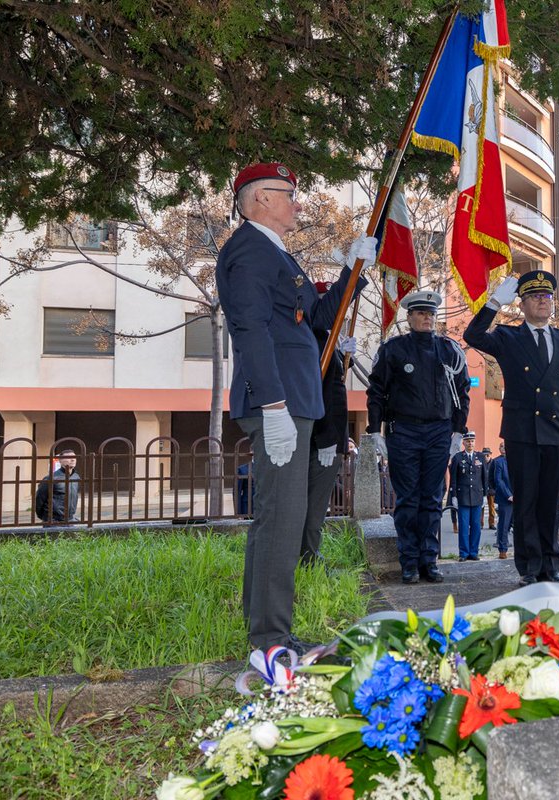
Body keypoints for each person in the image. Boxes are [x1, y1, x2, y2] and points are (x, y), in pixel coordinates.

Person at [216, 161, 376, 653]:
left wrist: (353, 270)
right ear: (260, 198)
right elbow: (252, 332)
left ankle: (263, 624)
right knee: (280, 520)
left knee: (279, 519)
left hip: (294, 399)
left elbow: (316, 320)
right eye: (289, 193)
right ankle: (271, 639)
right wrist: (274, 404)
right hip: (278, 401)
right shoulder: (248, 252)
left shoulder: (280, 256)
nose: (298, 202)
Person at [464, 271, 559, 585]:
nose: (543, 302)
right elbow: (472, 336)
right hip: (522, 431)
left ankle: (551, 566)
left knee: (551, 501)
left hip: (556, 431)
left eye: (547, 297)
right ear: (523, 302)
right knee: (526, 500)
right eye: (535, 297)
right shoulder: (508, 336)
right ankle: (530, 568)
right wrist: (493, 303)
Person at [366, 290, 471, 584]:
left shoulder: (450, 351)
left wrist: (459, 431)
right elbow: (376, 391)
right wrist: (375, 429)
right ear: (409, 317)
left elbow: (462, 394)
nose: (427, 318)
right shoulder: (394, 349)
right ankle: (409, 561)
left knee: (432, 499)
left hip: (439, 431)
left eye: (431, 314)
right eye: (421, 313)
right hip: (404, 431)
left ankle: (429, 560)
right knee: (408, 500)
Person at [300, 282, 355, 566]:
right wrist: (326, 439)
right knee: (313, 508)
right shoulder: (315, 337)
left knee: (315, 507)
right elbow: (322, 395)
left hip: (327, 438)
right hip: (321, 439)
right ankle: (309, 560)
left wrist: (347, 358)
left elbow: (335, 381)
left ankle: (308, 556)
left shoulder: (325, 337)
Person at [449, 432, 487, 561]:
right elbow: (453, 478)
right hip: (463, 497)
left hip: (477, 496)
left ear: (474, 442)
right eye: (468, 441)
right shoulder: (458, 458)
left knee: (476, 526)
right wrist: (453, 496)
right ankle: (464, 553)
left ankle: (474, 552)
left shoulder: (480, 457)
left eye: (472, 441)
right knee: (464, 526)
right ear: (463, 443)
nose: (470, 443)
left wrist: (485, 495)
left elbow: (484, 478)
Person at [35, 449, 80, 523]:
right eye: (69, 457)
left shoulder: (76, 477)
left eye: (74, 457)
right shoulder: (52, 478)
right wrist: (44, 517)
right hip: (53, 520)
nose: (72, 460)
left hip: (70, 519)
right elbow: (39, 499)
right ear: (60, 460)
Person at [491, 442, 513, 558]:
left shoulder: (518, 461)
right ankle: (503, 549)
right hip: (506, 498)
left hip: (519, 496)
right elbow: (498, 480)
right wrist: (508, 495)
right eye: (502, 446)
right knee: (504, 524)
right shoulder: (498, 462)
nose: (504, 448)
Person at [481, 447, 498, 529]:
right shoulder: (480, 463)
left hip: (491, 489)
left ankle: (491, 523)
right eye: (484, 455)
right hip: (482, 489)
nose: (486, 457)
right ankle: (480, 524)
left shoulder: (493, 463)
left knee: (491, 507)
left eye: (487, 455)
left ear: (490, 455)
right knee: (481, 507)